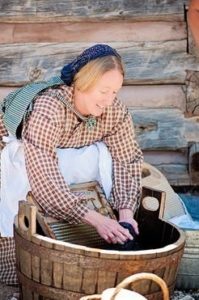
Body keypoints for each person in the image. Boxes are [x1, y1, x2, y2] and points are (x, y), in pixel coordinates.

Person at [0, 44, 143, 285]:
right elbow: (44, 177)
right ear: (82, 83)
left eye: (115, 92)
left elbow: (127, 158)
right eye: (103, 91)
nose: (109, 101)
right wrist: (96, 219)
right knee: (25, 270)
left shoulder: (114, 111)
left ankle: (85, 249)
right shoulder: (50, 107)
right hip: (22, 159)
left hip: (65, 158)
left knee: (105, 155)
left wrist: (125, 214)